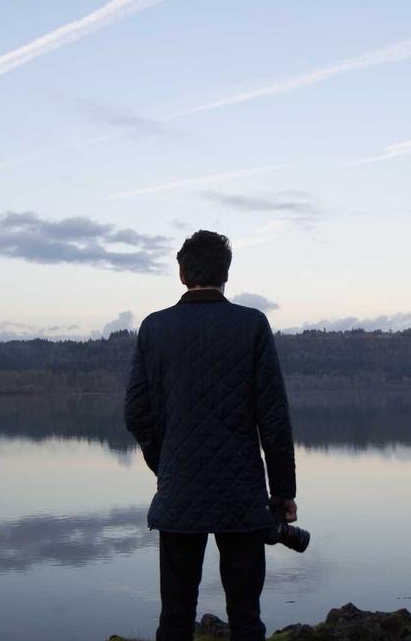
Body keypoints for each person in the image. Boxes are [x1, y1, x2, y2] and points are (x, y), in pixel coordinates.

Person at [124, 229, 298, 641]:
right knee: (246, 617)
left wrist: (166, 464)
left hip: (179, 491)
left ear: (182, 275)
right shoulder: (252, 324)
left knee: (175, 617)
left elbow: (136, 412)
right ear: (226, 274)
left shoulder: (154, 327)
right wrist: (283, 493)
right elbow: (273, 418)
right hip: (242, 494)